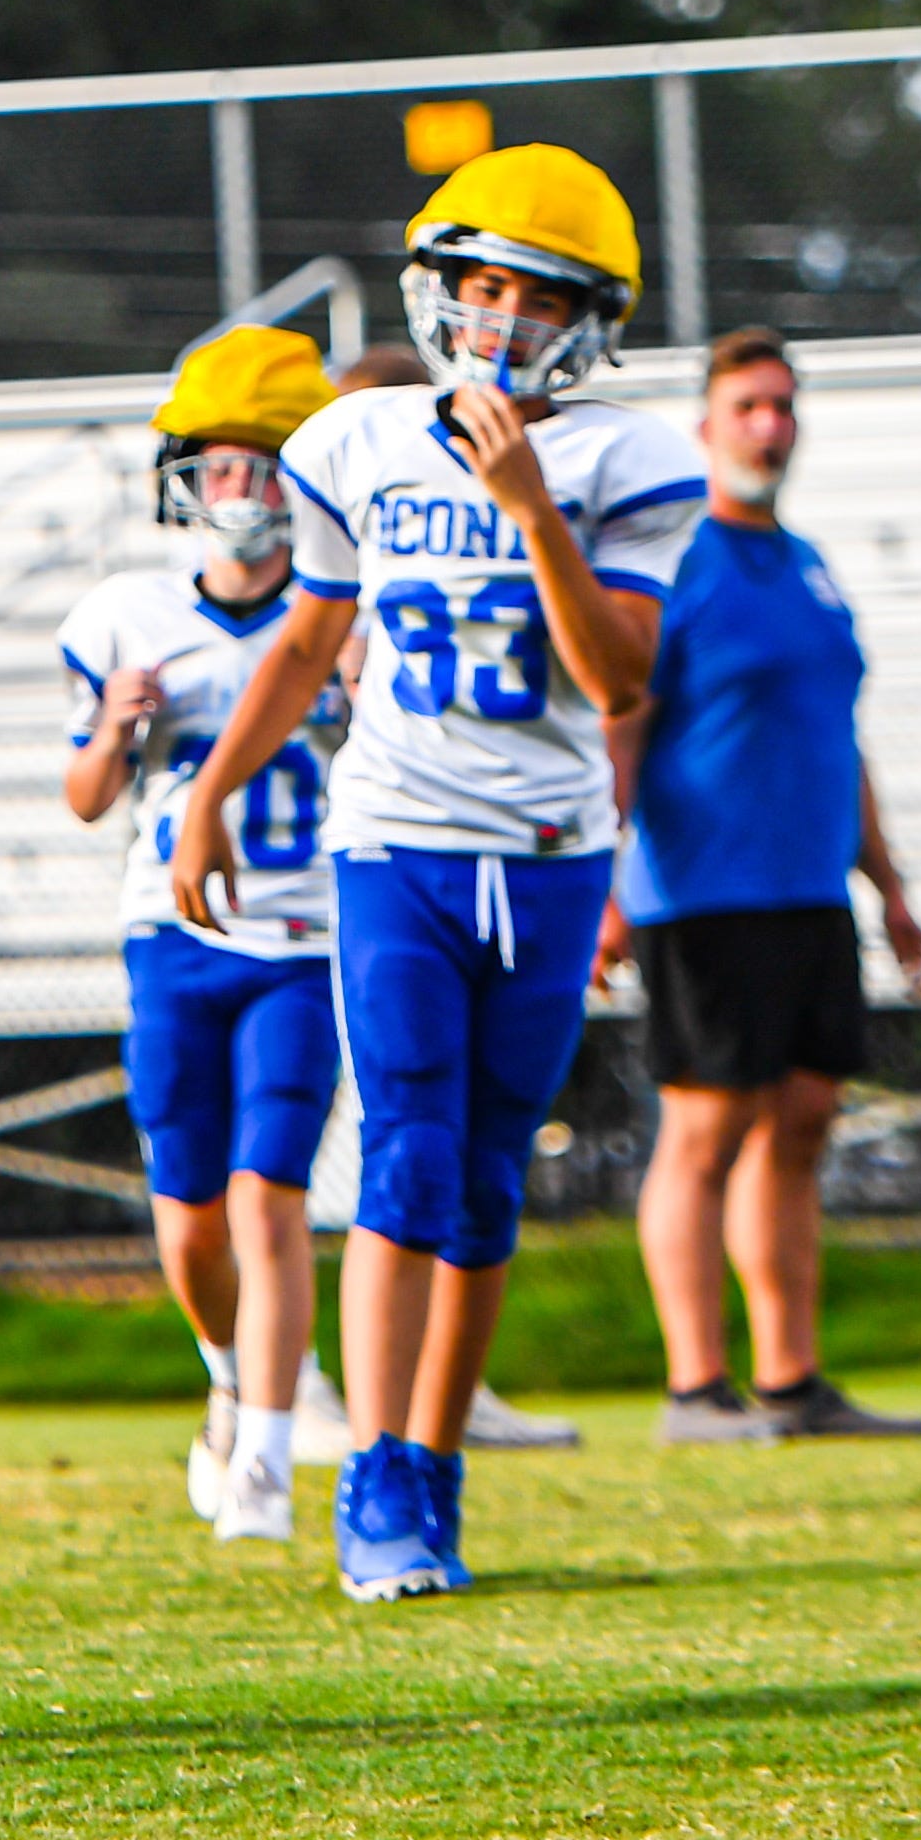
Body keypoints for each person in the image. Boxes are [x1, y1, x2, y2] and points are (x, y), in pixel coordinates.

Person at [175, 144, 703, 1600]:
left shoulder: (630, 461)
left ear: (588, 317)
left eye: (537, 295)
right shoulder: (355, 441)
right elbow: (305, 637)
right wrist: (211, 792)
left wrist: (529, 509)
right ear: (435, 288)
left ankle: (433, 1463)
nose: (501, 317)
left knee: (480, 1179)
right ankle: (376, 1482)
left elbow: (616, 678)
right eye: (479, 285)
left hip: (545, 852)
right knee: (404, 1146)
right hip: (395, 836)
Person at [603, 328, 921, 1442]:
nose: (769, 426)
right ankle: (695, 1386)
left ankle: (790, 1381)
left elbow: (839, 736)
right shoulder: (677, 559)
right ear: (706, 425)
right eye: (748, 405)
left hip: (809, 891)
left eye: (783, 405)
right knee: (706, 1127)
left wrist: (887, 884)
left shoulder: (806, 565)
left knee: (801, 1119)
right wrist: (600, 883)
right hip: (702, 892)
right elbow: (622, 722)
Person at [56, 327, 346, 1549]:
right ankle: (229, 1375)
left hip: (305, 934)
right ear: (184, 474)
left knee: (267, 1192)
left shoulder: (346, 613)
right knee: (186, 1215)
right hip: (172, 936)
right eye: (219, 463)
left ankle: (269, 1457)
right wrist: (116, 731)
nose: (240, 486)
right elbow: (85, 798)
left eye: (264, 462)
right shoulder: (127, 614)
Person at [288, 337, 586, 1469]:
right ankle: (294, 1392)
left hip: (466, 864)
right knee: (350, 1147)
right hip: (342, 879)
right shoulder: (328, 563)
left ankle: (432, 1405)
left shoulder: (492, 527)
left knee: (449, 1149)